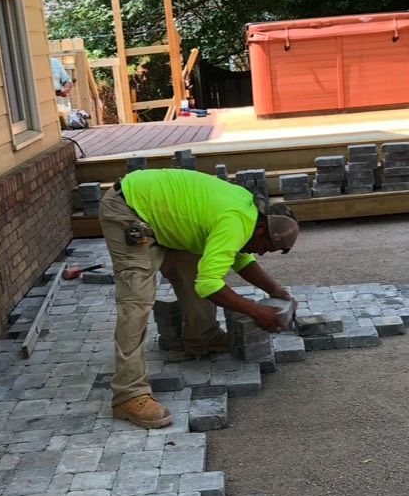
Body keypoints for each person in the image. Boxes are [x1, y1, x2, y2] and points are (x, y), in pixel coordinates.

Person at [100, 168, 299, 429]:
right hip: (129, 209)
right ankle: (128, 394)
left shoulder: (248, 218)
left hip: (161, 214)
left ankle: (202, 337)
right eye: (266, 246)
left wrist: (276, 291)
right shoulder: (236, 221)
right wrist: (255, 311)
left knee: (197, 265)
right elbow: (210, 286)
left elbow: (239, 258)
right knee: (136, 299)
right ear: (261, 228)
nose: (262, 253)